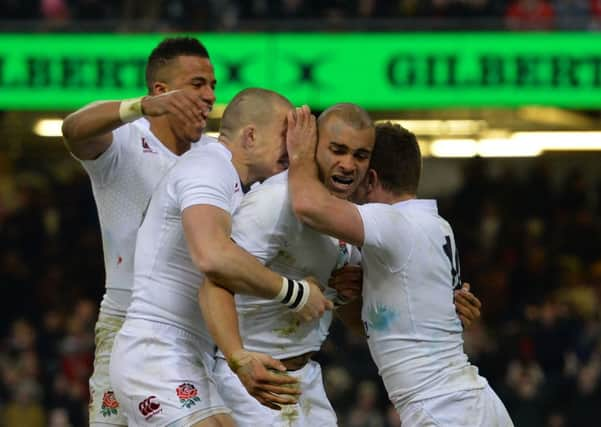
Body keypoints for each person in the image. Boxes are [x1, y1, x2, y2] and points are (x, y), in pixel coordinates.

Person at [200, 104, 483, 426]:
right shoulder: (274, 202)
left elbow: (352, 316)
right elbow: (214, 281)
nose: (348, 164)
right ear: (313, 147)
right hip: (252, 382)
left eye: (360, 155)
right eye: (338, 150)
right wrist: (238, 360)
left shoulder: (353, 218)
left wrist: (435, 309)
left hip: (305, 381)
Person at [109, 88, 333, 427]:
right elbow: (212, 257)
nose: (291, 150)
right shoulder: (209, 167)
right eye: (285, 137)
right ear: (251, 136)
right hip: (156, 350)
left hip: (190, 355)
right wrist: (295, 293)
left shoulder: (236, 184)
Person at [286, 116, 513, 426]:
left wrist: (299, 154)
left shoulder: (392, 223)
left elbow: (307, 205)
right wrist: (356, 294)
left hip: (441, 410)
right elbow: (387, 327)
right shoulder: (436, 225)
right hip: (474, 402)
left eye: (359, 162)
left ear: (372, 178)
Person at [61, 37, 217, 427]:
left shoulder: (214, 158)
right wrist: (138, 107)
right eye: (198, 84)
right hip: (126, 320)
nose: (210, 95)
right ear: (161, 91)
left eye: (213, 85)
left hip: (195, 328)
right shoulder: (127, 142)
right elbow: (73, 129)